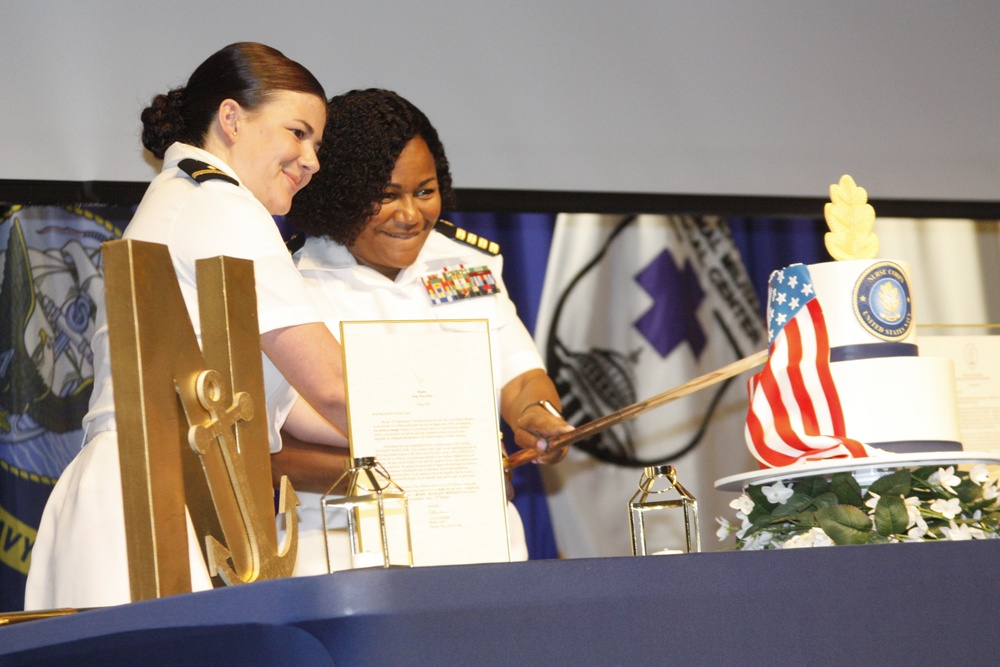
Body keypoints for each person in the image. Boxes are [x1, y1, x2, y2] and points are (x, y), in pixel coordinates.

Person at [25, 42, 349, 609]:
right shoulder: (222, 204)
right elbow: (333, 386)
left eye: (316, 143)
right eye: (298, 133)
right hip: (160, 499)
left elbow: (296, 403)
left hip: (157, 492)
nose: (312, 160)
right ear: (231, 118)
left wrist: (413, 435)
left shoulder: (186, 195)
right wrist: (442, 427)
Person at [282, 88, 573, 570]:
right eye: (386, 196)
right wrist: (423, 467)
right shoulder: (291, 281)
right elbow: (270, 455)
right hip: (346, 554)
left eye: (424, 191)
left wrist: (538, 417)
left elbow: (520, 378)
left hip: (480, 549)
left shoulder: (468, 264)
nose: (411, 215)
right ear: (341, 194)